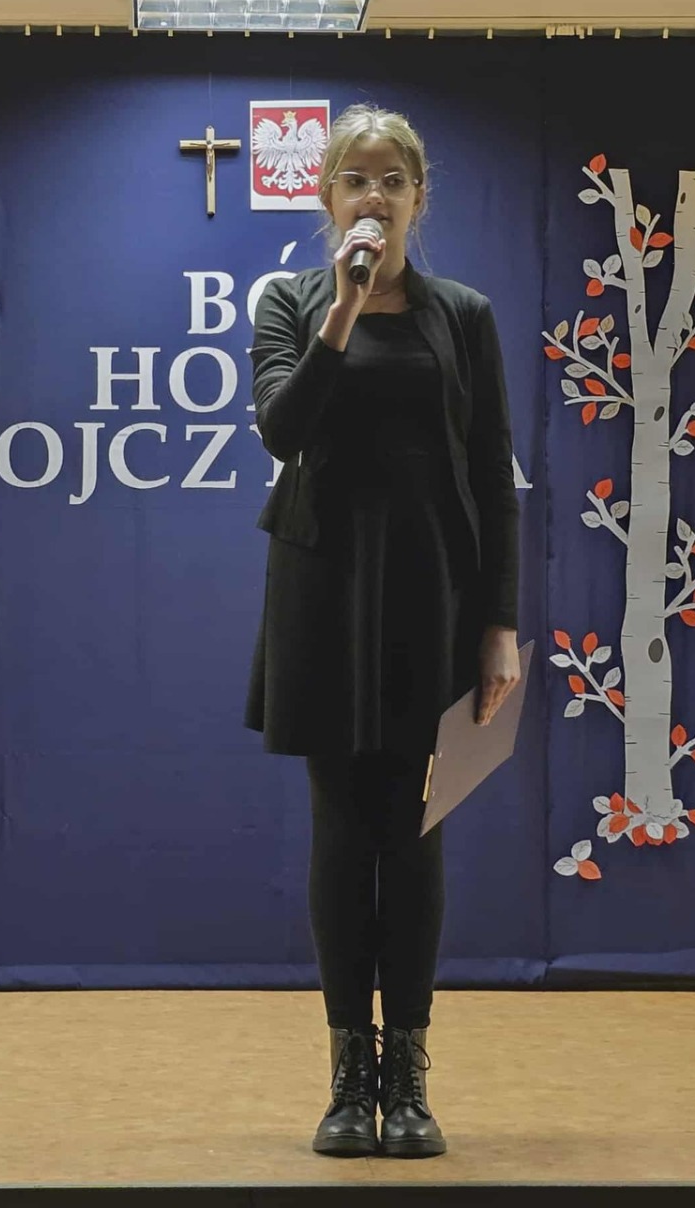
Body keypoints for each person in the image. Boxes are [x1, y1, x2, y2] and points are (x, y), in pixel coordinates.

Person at [245, 104, 521, 1158]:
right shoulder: (293, 302)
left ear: (418, 197)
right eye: (356, 179)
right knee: (339, 830)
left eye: (392, 181)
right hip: (323, 593)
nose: (374, 196)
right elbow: (283, 428)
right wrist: (345, 310)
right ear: (329, 197)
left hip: (432, 597)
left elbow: (491, 474)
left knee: (412, 833)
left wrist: (499, 623)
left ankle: (406, 1078)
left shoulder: (464, 315)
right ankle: (345, 1079)